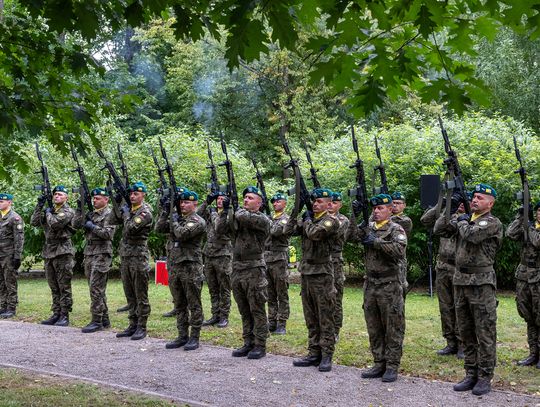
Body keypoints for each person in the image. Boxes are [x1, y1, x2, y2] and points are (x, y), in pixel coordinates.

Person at [434, 183, 503, 396]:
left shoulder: (492, 223)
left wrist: (462, 221)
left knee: (484, 331)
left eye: (480, 198)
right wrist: (450, 208)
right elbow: (438, 229)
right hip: (460, 281)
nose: (475, 200)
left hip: (481, 283)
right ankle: (470, 373)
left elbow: (472, 236)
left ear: (490, 203)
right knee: (465, 331)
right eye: (473, 197)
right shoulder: (466, 219)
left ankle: (484, 376)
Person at [349, 194, 407, 383]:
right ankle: (378, 362)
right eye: (374, 208)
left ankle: (391, 365)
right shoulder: (368, 227)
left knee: (392, 326)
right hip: (371, 284)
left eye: (380, 208)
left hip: (389, 285)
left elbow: (399, 251)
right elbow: (350, 236)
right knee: (373, 326)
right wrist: (354, 215)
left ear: (390, 210)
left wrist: (376, 242)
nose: (376, 211)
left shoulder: (396, 229)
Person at [289, 188, 339, 372]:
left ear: (328, 204)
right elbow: (290, 230)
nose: (316, 204)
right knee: (310, 316)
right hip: (307, 272)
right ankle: (313, 352)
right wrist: (297, 212)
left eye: (319, 202)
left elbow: (315, 234)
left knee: (325, 316)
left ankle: (326, 355)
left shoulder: (330, 221)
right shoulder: (309, 219)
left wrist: (307, 219)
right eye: (314, 201)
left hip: (322, 274)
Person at [217, 186, 270, 359]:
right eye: (244, 197)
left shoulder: (262, 219)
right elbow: (220, 229)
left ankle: (260, 344)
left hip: (254, 269)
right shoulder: (239, 215)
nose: (246, 200)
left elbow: (242, 216)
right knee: (244, 309)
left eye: (250, 198)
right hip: (238, 268)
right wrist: (225, 211)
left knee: (257, 309)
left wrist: (234, 207)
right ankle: (248, 341)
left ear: (259, 203)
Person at [156, 189, 206, 351]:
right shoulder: (177, 217)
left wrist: (174, 220)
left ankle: (195, 336)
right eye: (181, 202)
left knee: (194, 303)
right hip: (175, 266)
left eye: (187, 202)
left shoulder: (197, 220)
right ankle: (182, 335)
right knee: (179, 303)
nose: (183, 205)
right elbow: (158, 228)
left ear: (195, 204)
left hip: (190, 268)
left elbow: (181, 234)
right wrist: (166, 210)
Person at [420, 193, 467, 358]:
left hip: (459, 268)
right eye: (458, 202)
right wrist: (443, 203)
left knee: (460, 306)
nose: (460, 204)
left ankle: (463, 343)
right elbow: (425, 220)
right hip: (443, 266)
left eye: (463, 201)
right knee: (445, 307)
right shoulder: (447, 216)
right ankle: (450, 342)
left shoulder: (469, 219)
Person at [110, 181, 153, 341]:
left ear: (143, 195)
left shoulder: (145, 213)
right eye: (131, 194)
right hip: (126, 256)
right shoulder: (130, 209)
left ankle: (142, 326)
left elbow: (129, 228)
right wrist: (118, 202)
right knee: (129, 293)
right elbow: (111, 220)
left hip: (138, 257)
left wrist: (127, 213)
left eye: (136, 194)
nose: (133, 196)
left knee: (140, 293)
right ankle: (132, 324)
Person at [72, 188, 116, 333]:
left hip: (102, 253)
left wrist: (93, 226)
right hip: (90, 253)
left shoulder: (110, 214)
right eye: (93, 198)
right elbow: (76, 224)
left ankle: (96, 320)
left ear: (106, 199)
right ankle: (104, 319)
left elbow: (108, 234)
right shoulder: (91, 213)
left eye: (97, 198)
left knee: (96, 288)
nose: (94, 200)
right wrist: (80, 208)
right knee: (96, 288)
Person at [31, 186, 75, 327]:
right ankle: (56, 313)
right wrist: (40, 205)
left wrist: (48, 213)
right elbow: (34, 222)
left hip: (63, 251)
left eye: (60, 194)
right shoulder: (50, 210)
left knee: (64, 285)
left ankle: (64, 315)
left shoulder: (67, 211)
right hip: (49, 252)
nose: (56, 196)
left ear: (66, 198)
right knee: (53, 285)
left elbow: (55, 224)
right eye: (55, 194)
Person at [506, 201, 540, 368]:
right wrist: (521, 216)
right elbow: (510, 233)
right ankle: (533, 353)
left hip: (539, 277)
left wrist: (530, 226)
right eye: (539, 210)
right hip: (524, 276)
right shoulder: (530, 225)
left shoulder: (532, 229)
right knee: (528, 316)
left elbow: (537, 242)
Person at [197, 191, 232, 328]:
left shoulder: (229, 214)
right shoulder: (211, 211)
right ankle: (215, 314)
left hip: (223, 255)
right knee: (212, 287)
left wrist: (221, 211)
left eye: (222, 199)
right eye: (217, 198)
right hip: (209, 254)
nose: (219, 201)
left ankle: (224, 316)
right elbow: (197, 215)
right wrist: (206, 201)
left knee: (224, 288)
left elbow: (219, 228)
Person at [264, 192, 292, 335]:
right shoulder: (269, 218)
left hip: (279, 257)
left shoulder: (286, 219)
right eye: (273, 202)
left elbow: (275, 231)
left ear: (285, 203)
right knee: (270, 293)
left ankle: (282, 322)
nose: (275, 204)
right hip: (267, 257)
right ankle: (272, 321)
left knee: (281, 292)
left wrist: (266, 220)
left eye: (278, 202)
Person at [327, 191, 349, 341]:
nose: (331, 205)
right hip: (322, 261)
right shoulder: (321, 219)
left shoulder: (343, 220)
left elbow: (332, 234)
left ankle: (335, 329)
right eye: (329, 202)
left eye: (334, 203)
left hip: (335, 261)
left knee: (336, 297)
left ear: (340, 205)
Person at [0, 193, 24, 319]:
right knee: (1, 282)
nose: (0, 203)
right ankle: (3, 306)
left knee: (10, 282)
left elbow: (19, 239)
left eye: (2, 201)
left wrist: (17, 256)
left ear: (9, 202)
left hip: (9, 255)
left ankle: (11, 307)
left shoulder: (15, 218)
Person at [391, 192, 412, 295]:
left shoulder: (405, 221)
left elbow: (389, 224)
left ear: (404, 205)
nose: (395, 205)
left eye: (398, 203)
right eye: (393, 203)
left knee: (399, 290)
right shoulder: (381, 219)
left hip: (398, 261)